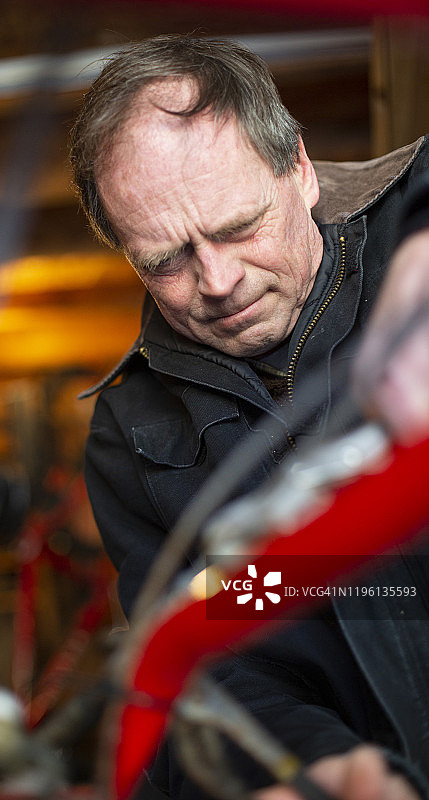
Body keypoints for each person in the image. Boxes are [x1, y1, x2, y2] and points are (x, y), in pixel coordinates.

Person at [69, 34, 429, 800]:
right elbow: (211, 657)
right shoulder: (129, 433)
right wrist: (300, 763)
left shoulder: (416, 240)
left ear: (296, 169)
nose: (219, 280)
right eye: (165, 259)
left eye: (237, 227)